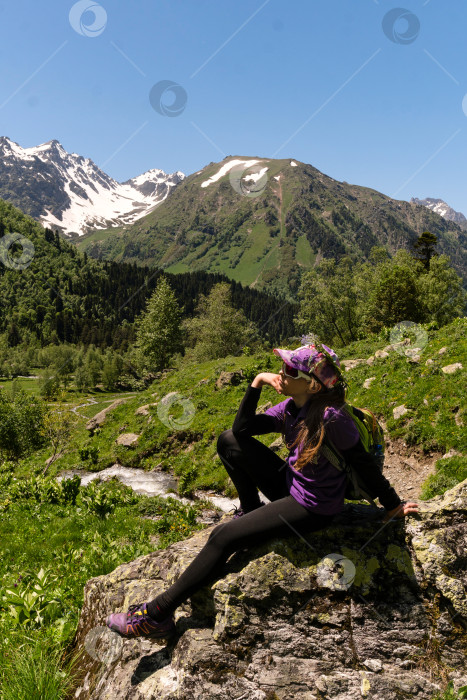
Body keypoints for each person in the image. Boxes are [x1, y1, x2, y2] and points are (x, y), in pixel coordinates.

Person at [106, 341, 418, 639]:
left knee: (223, 537)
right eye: (283, 366)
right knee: (228, 441)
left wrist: (393, 506)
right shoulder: (292, 407)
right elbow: (242, 429)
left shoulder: (331, 417)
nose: (282, 373)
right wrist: (256, 382)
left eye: (291, 370)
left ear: (313, 385)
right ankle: (251, 509)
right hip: (291, 484)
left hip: (313, 507)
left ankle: (156, 616)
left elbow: (362, 464)